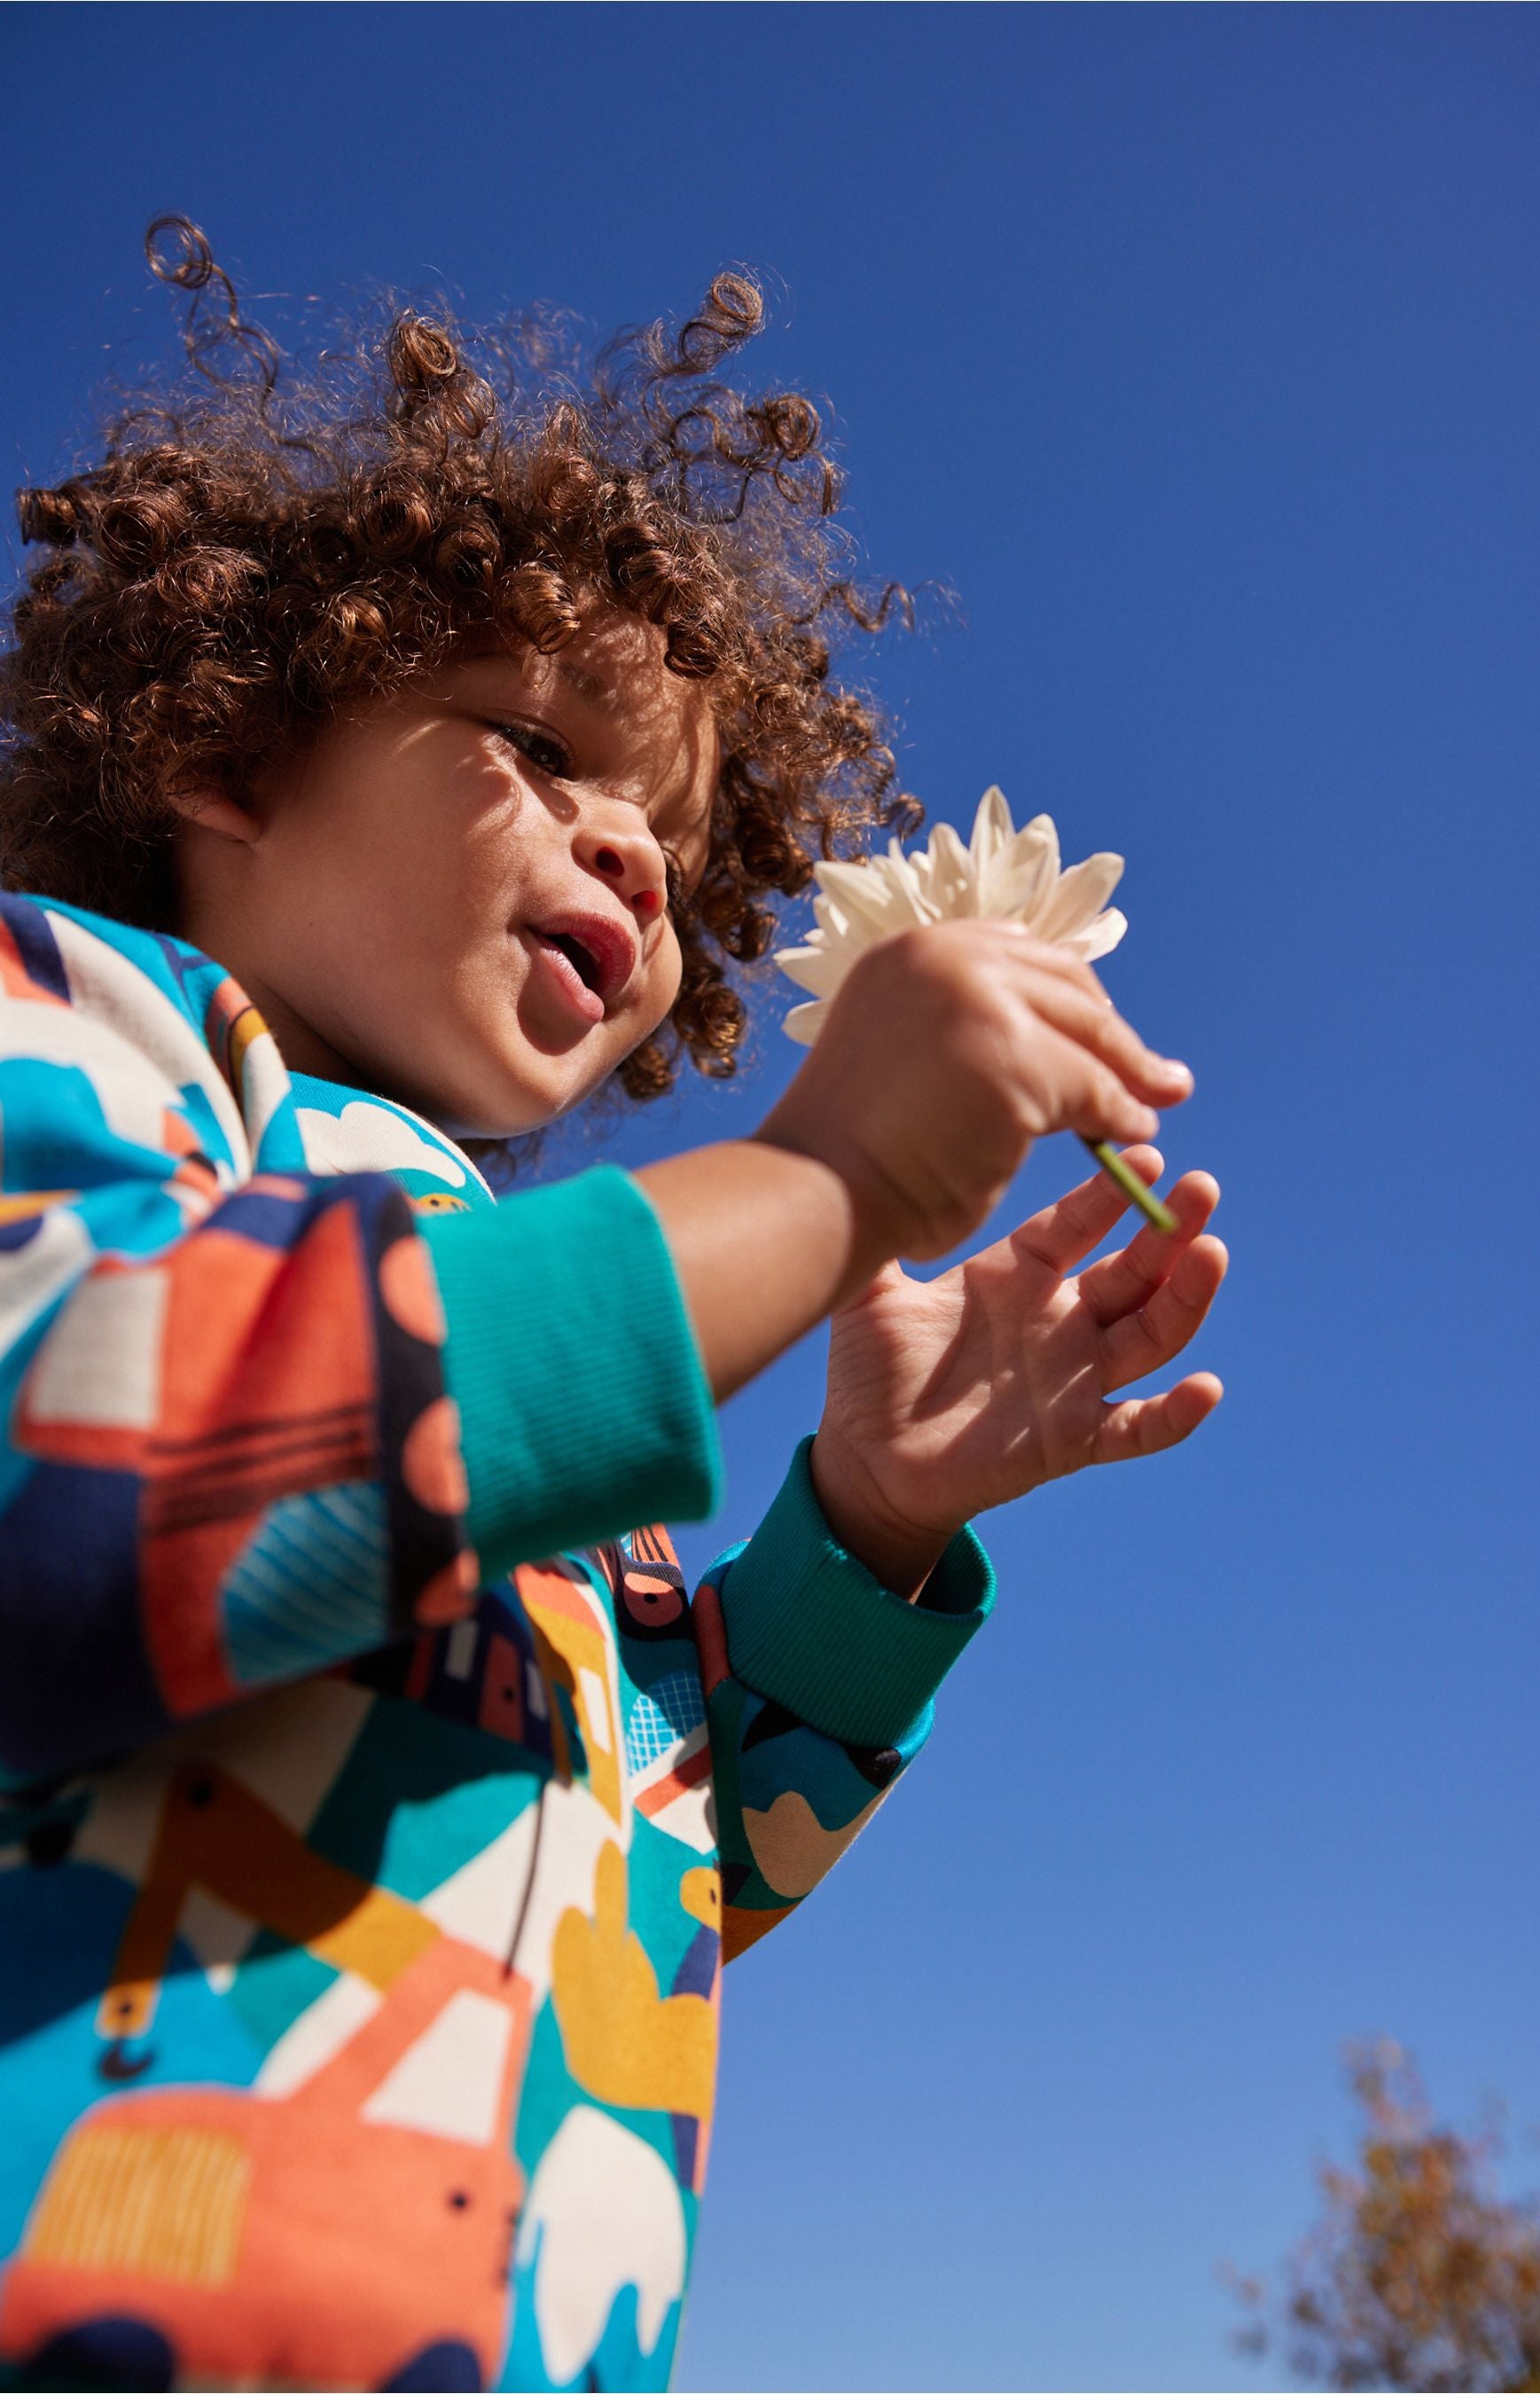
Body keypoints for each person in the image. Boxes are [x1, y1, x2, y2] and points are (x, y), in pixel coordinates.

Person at [0, 223, 1226, 2393]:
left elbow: (660, 1879)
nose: (641, 855)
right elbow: (94, 1472)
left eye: (678, 832)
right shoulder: (78, 1030)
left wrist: (867, 1530)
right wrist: (820, 1182)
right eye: (546, 745)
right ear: (228, 752)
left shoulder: (538, 1387)